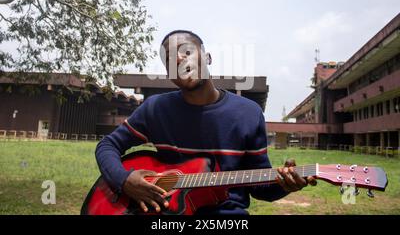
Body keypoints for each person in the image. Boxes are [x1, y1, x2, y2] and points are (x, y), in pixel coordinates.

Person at [95, 30, 316, 215]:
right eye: (170, 59)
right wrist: (124, 180)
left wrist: (286, 184)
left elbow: (260, 188)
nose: (180, 60)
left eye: (187, 51)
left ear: (207, 58)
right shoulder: (155, 109)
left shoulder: (248, 113)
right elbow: (107, 145)